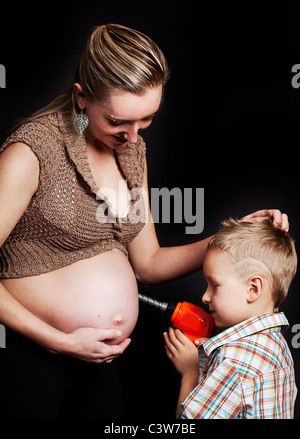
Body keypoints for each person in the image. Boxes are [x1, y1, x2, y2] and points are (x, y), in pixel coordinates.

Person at [0, 23, 290, 419]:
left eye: (147, 120)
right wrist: (57, 341)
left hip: (100, 363)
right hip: (30, 354)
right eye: (118, 122)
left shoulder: (131, 151)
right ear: (82, 98)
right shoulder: (31, 152)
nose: (134, 137)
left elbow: (149, 264)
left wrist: (233, 239)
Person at [164, 218, 297, 419]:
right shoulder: (277, 346)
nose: (205, 297)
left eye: (214, 285)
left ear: (253, 289)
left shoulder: (233, 363)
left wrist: (191, 372)